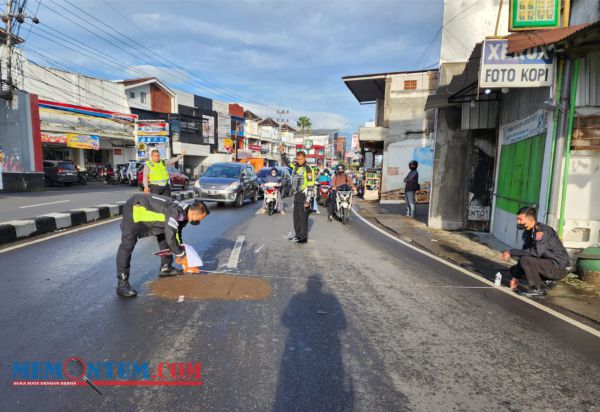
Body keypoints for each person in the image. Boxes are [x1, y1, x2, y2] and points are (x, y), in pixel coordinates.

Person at [115, 194, 209, 297]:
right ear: (195, 214)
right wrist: (182, 255)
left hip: (151, 215)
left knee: (164, 236)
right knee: (127, 245)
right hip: (135, 209)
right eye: (200, 219)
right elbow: (171, 238)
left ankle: (166, 267)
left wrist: (181, 248)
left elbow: (176, 232)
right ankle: (122, 283)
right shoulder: (176, 213)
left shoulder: (185, 212)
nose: (200, 221)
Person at [501, 206, 570, 297]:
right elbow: (525, 252)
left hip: (559, 267)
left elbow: (535, 252)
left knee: (526, 260)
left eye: (520, 219)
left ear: (531, 220)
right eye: (517, 219)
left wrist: (511, 252)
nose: (518, 222)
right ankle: (546, 281)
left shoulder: (542, 232)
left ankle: (537, 289)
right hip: (548, 264)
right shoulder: (528, 232)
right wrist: (515, 277)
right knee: (515, 270)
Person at [279, 144, 315, 244]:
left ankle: (303, 237)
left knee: (303, 218)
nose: (299, 161)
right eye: (298, 159)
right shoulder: (295, 166)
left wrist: (308, 200)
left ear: (305, 158)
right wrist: (282, 153)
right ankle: (298, 235)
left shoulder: (308, 169)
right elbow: (287, 163)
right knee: (296, 218)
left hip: (304, 195)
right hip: (297, 195)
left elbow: (311, 186)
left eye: (301, 159)